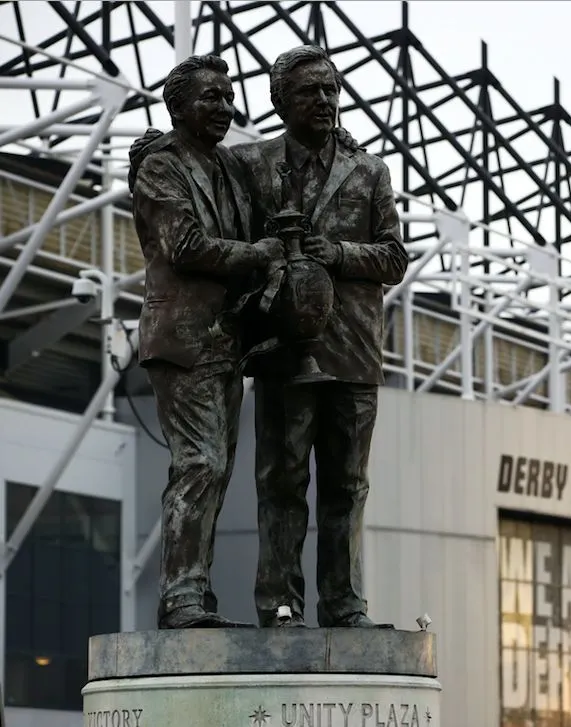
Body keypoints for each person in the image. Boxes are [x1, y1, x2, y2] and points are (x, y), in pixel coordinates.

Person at [233, 45, 408, 629]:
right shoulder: (251, 165)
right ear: (279, 99)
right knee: (281, 481)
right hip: (284, 350)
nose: (325, 101)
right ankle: (279, 605)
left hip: (354, 351)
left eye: (332, 90)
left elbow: (394, 256)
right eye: (310, 91)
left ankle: (345, 605)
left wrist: (337, 253)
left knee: (348, 486)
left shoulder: (369, 171)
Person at [129, 54, 283, 629]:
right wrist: (257, 255)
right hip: (184, 339)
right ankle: (182, 599)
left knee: (213, 472)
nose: (225, 107)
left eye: (228, 96)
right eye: (210, 97)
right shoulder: (161, 167)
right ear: (177, 107)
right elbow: (185, 246)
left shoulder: (229, 168)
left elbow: (274, 163)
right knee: (201, 462)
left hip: (227, 341)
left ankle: (193, 593)